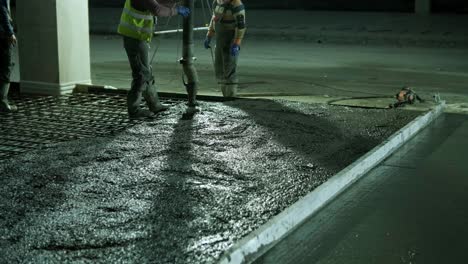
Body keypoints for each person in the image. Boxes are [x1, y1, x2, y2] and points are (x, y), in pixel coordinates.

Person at [117, 0, 190, 119]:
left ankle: (154, 104)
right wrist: (176, 10)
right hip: (134, 37)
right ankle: (134, 110)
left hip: (138, 37)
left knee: (146, 72)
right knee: (141, 74)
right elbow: (157, 10)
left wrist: (175, 3)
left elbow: (161, 2)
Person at [204, 0, 246, 98]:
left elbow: (241, 26)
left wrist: (236, 43)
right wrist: (209, 35)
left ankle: (230, 96)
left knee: (229, 67)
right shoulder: (216, 3)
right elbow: (214, 18)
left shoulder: (236, 5)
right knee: (219, 66)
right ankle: (225, 96)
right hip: (220, 38)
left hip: (231, 37)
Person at [0, 0, 17, 113]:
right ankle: (3, 102)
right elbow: (2, 11)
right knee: (6, 66)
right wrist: (10, 32)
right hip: (2, 34)